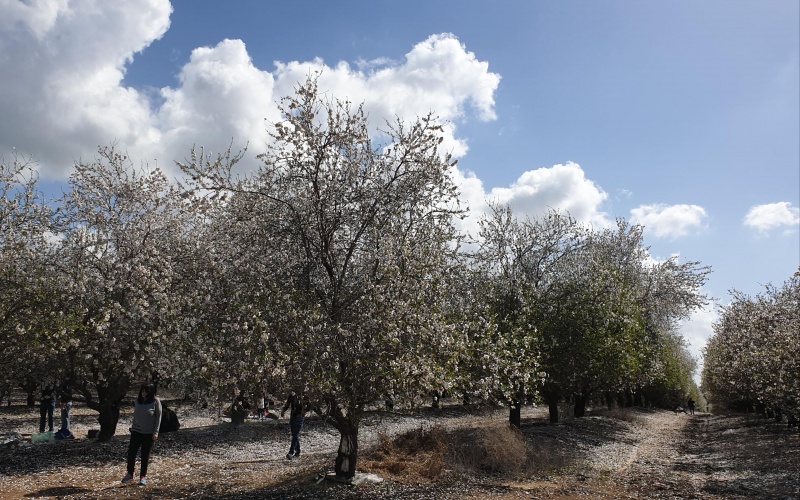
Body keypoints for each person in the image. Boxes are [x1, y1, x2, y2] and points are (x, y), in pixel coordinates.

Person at [121, 384, 162, 486]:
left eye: (146, 392)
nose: (144, 393)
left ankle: (143, 476)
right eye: (142, 391)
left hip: (148, 433)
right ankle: (130, 473)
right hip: (136, 431)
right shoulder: (137, 401)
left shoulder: (155, 401)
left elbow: (158, 417)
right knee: (131, 453)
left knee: (145, 456)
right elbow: (136, 416)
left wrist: (156, 432)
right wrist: (133, 427)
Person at [281, 391, 308, 460]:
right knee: (294, 435)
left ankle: (291, 452)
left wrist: (304, 411)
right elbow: (287, 404)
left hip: (300, 417)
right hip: (293, 417)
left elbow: (310, 405)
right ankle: (298, 451)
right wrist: (283, 410)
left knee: (295, 434)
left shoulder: (304, 395)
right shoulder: (292, 395)